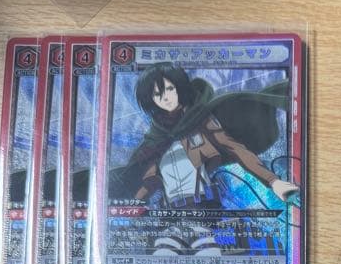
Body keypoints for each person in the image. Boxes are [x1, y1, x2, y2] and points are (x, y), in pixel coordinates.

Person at [111, 63, 299, 209]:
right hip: (169, 212)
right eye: (158, 94)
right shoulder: (157, 137)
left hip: (201, 205)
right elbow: (147, 180)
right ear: (151, 100)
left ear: (178, 87)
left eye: (169, 89)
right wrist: (130, 209)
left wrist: (273, 181)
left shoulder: (201, 120)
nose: (166, 97)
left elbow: (235, 149)